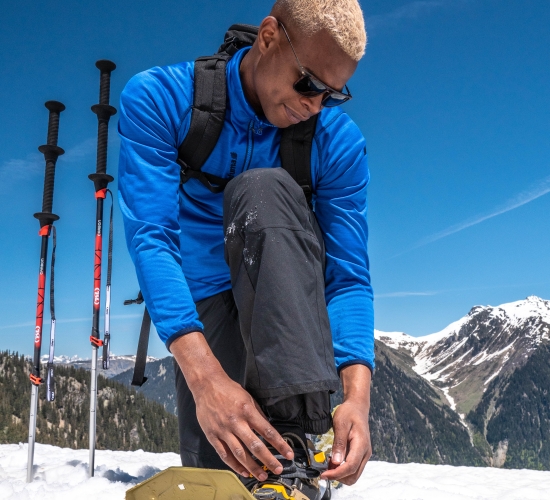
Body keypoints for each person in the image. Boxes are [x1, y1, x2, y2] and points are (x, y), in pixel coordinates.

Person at [118, 0, 374, 495]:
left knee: (262, 189)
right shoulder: (160, 98)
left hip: (285, 294)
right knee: (218, 472)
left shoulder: (337, 144)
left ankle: (294, 453)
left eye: (334, 94)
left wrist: (356, 397)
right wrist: (207, 381)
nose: (315, 105)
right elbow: (152, 238)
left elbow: (348, 277)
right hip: (201, 298)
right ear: (269, 36)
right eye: (308, 83)